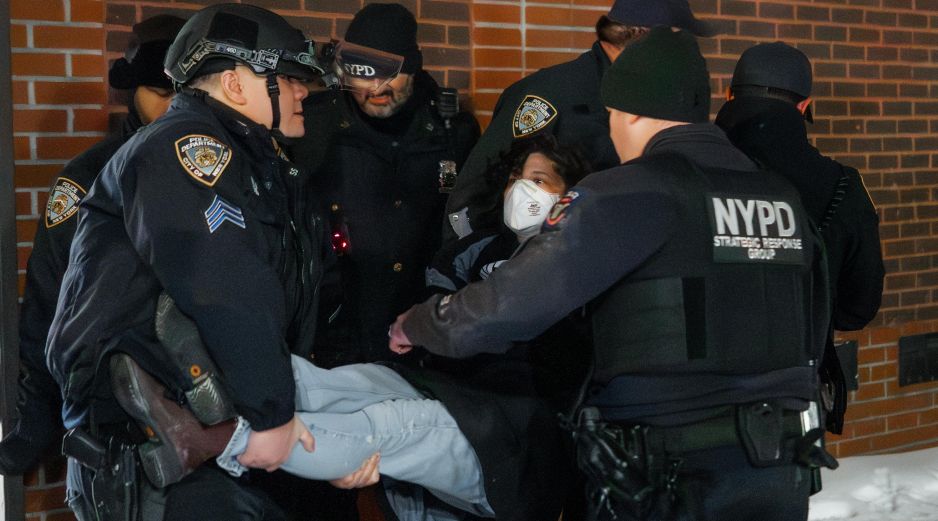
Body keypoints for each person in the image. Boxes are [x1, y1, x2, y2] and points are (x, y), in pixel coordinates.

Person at [390, 27, 835, 521]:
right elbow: (815, 322)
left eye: (613, 115)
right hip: (778, 466)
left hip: (666, 472)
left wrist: (420, 323)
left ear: (632, 112)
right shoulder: (780, 196)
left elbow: (507, 307)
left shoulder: (627, 193)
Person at [118, 136, 592, 521]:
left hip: (517, 438)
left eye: (538, 180)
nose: (521, 190)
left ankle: (205, 441)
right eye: (516, 177)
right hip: (456, 394)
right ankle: (190, 376)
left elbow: (488, 320)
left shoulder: (574, 263)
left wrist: (422, 325)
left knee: (390, 425)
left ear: (568, 194)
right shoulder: (480, 250)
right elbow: (439, 316)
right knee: (340, 383)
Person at [45, 5, 333, 520]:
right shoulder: (186, 149)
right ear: (235, 83)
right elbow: (223, 282)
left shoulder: (254, 162)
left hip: (210, 437)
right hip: (155, 453)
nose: (301, 91)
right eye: (287, 77)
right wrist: (272, 414)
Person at [0, 14, 186, 477]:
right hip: (118, 421)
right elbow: (49, 296)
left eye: (185, 94)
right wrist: (36, 417)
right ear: (132, 92)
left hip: (224, 417)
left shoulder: (233, 173)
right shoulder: (89, 179)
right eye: (162, 94)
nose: (175, 107)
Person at [287, 2, 480, 366]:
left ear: (414, 66)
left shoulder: (452, 128)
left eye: (389, 75)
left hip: (421, 330)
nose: (376, 88)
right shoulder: (312, 127)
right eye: (363, 75)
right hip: (334, 332)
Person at [442, 0, 715, 244]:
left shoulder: (660, 100)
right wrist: (474, 265)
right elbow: (474, 196)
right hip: (540, 278)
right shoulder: (550, 96)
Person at [715, 42, 885, 433]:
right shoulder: (843, 186)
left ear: (728, 95)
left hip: (684, 395)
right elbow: (858, 307)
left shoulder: (677, 168)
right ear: (805, 107)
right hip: (793, 397)